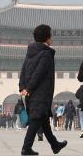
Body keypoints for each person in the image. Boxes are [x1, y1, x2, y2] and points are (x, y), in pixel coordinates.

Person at [19, 24, 67, 155]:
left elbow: (23, 71)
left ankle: (55, 144)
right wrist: (28, 88)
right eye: (51, 35)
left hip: (32, 92)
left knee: (44, 119)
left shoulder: (30, 52)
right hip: (41, 93)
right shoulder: (46, 54)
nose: (52, 38)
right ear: (47, 38)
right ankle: (26, 148)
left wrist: (22, 87)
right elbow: (38, 74)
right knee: (36, 119)